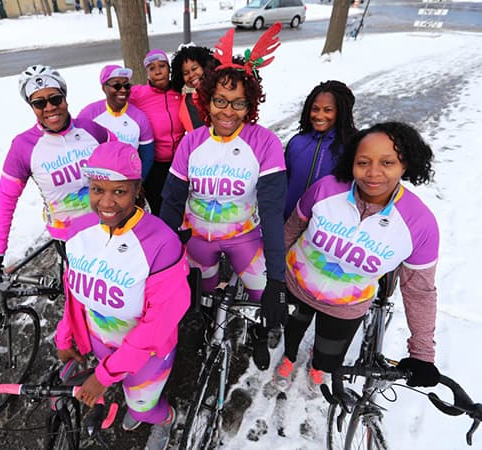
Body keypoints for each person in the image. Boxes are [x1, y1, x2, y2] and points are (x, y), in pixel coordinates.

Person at [276, 122, 441, 390]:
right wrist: (272, 273)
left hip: (346, 309)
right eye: (363, 162)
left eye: (387, 163)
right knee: (291, 333)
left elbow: (419, 291)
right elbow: (293, 228)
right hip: (295, 285)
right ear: (351, 161)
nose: (373, 173)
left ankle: (317, 367)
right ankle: (290, 355)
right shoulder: (326, 189)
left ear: (405, 165)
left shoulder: (420, 224)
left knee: (328, 359)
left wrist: (422, 354)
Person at [160, 24, 287, 371]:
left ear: (250, 106)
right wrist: (162, 254)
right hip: (199, 238)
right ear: (207, 100)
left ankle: (259, 334)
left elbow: (273, 213)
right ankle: (205, 329)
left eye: (238, 104)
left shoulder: (264, 143)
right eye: (219, 101)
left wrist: (277, 278)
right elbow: (171, 201)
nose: (227, 112)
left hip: (244, 238)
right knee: (203, 297)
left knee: (264, 296)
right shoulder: (192, 142)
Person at [55, 141, 190, 450]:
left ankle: (165, 419)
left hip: (149, 355)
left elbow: (158, 324)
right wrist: (66, 336)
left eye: (119, 191)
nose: (107, 202)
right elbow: (74, 292)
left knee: (144, 406)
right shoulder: (78, 230)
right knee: (126, 392)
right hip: (102, 344)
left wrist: (104, 376)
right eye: (97, 189)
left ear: (138, 190)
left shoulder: (161, 243)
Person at [0, 65, 112, 273]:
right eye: (39, 103)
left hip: (111, 227)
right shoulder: (23, 146)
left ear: (65, 98)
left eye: (55, 99)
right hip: (70, 240)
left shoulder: (91, 129)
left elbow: (125, 163)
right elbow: (5, 199)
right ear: (31, 106)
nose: (49, 107)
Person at [284, 80, 357, 220]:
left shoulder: (353, 145)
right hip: (287, 223)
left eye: (328, 110)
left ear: (341, 112)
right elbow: (282, 184)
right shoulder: (297, 142)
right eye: (315, 109)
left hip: (325, 229)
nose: (319, 116)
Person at [129, 49, 184, 215]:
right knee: (158, 208)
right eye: (152, 68)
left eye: (162, 66)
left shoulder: (180, 91)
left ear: (169, 69)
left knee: (180, 207)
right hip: (154, 165)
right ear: (147, 73)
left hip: (180, 163)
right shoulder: (139, 94)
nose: (158, 71)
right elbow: (113, 100)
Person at [77, 64, 154, 179]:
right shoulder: (88, 115)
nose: (123, 90)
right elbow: (76, 149)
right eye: (117, 86)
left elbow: (147, 156)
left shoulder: (139, 118)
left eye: (127, 86)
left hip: (128, 184)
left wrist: (137, 183)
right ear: (104, 88)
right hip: (97, 184)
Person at [170, 44, 219, 132]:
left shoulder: (219, 87)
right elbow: (195, 133)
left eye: (194, 68)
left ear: (204, 66)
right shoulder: (188, 103)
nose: (191, 75)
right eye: (186, 73)